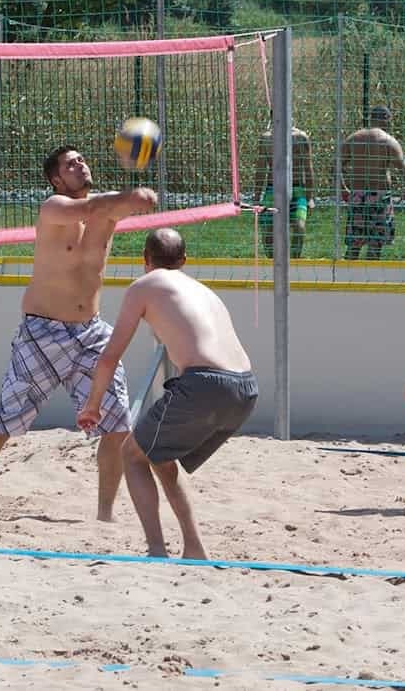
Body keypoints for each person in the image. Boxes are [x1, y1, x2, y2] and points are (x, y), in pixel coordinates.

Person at [0, 145, 157, 520]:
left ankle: (104, 514)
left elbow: (132, 205)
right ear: (57, 179)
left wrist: (145, 197)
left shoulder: (106, 210)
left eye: (83, 159)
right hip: (42, 333)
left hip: (90, 333)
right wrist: (130, 197)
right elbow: (95, 207)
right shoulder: (54, 207)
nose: (81, 164)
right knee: (1, 427)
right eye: (71, 164)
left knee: (117, 423)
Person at [78, 228, 257, 559]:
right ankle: (194, 547)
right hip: (246, 389)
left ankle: (157, 549)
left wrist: (92, 405)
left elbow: (109, 356)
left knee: (131, 454)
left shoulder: (144, 286)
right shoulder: (204, 291)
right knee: (157, 454)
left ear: (145, 261)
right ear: (185, 261)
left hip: (206, 384)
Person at [338, 106, 405, 260]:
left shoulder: (353, 138)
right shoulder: (389, 142)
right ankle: (369, 279)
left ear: (370, 119)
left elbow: (334, 167)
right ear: (386, 119)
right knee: (375, 245)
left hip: (358, 196)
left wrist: (343, 189)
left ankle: (347, 278)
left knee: (354, 244)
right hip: (380, 197)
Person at [254, 123, 314, 258]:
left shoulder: (300, 137)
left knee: (299, 227)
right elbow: (261, 169)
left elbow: (308, 167)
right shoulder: (266, 138)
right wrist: (257, 196)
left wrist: (310, 197)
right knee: (268, 229)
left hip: (297, 188)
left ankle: (294, 260)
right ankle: (271, 261)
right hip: (272, 189)